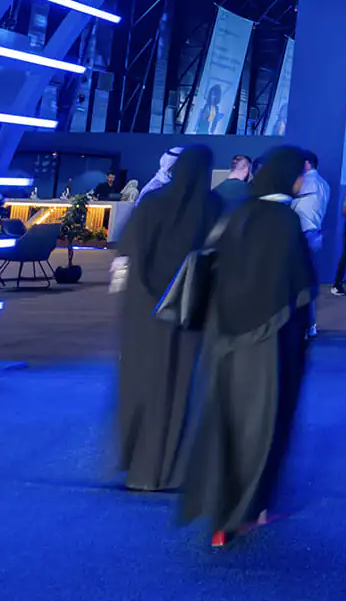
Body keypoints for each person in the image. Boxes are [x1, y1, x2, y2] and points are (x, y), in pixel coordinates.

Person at [179, 148, 317, 547]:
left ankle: (219, 514)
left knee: (224, 421)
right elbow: (302, 287)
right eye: (298, 177)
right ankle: (249, 508)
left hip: (224, 340)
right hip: (270, 344)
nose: (300, 183)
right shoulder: (286, 222)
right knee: (263, 426)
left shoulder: (236, 214)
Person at [114, 146, 220, 492]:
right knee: (177, 385)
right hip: (188, 310)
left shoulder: (154, 203)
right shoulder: (214, 207)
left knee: (140, 381)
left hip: (144, 309)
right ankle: (167, 467)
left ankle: (135, 462)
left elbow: (129, 250)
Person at [292, 151, 331, 335]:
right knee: (308, 280)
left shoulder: (306, 183)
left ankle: (303, 325)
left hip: (302, 235)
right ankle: (311, 324)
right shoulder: (324, 184)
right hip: (315, 233)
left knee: (298, 282)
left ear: (307, 163)